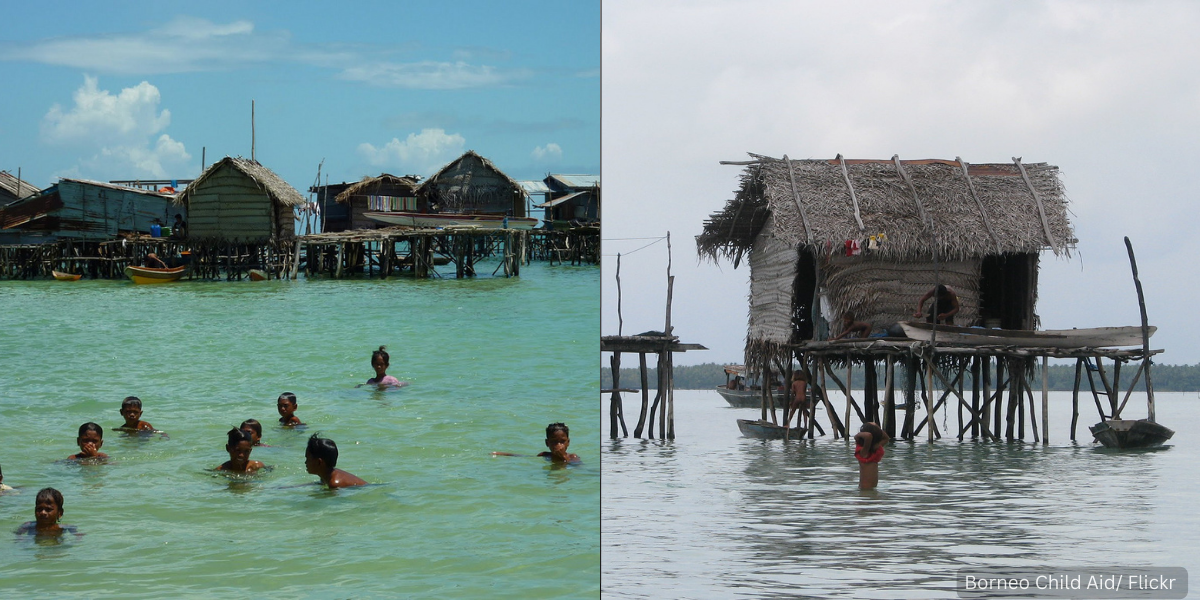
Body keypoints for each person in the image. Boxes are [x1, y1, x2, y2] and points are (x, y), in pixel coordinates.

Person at [492, 423, 582, 465]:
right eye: (554, 441)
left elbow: (578, 468)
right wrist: (501, 454)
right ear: (547, 443)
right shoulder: (545, 455)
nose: (558, 445)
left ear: (568, 442)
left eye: (562, 441)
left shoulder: (572, 457)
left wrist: (563, 457)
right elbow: (525, 457)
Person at [854, 422, 890, 490]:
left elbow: (886, 438)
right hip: (865, 489)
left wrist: (876, 427)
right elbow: (868, 436)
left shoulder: (874, 449)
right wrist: (856, 436)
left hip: (871, 489)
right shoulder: (863, 453)